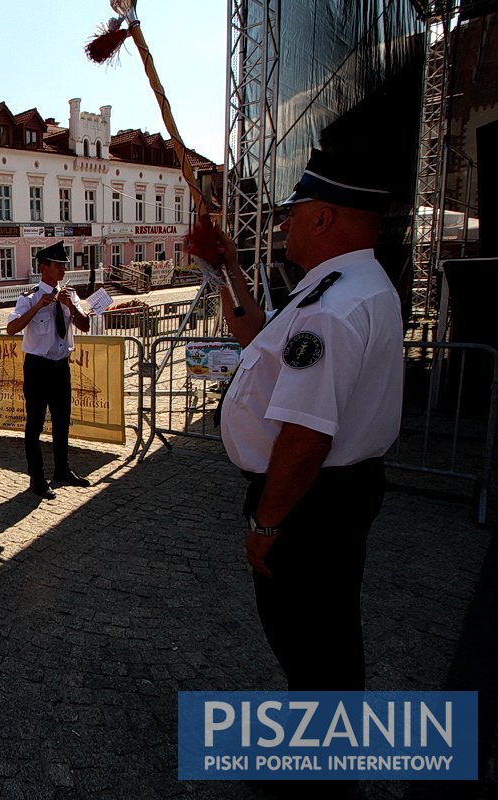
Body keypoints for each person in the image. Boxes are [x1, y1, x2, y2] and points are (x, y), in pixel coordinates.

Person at [209, 148, 402, 690]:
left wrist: (267, 522)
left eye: (292, 212)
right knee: (324, 639)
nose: (283, 223)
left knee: (312, 647)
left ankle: (317, 773)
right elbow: (256, 335)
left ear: (323, 217)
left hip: (309, 501)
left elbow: (307, 432)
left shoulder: (332, 305)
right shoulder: (352, 285)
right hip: (334, 494)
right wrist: (224, 268)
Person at [5, 241, 92, 500]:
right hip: (37, 368)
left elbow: (85, 325)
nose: (62, 270)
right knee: (34, 424)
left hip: (60, 367)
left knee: (62, 421)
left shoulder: (69, 294)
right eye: (57, 265)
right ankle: (36, 477)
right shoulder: (29, 298)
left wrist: (72, 307)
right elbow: (11, 329)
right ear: (43, 267)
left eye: (64, 266)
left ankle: (62, 470)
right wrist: (37, 307)